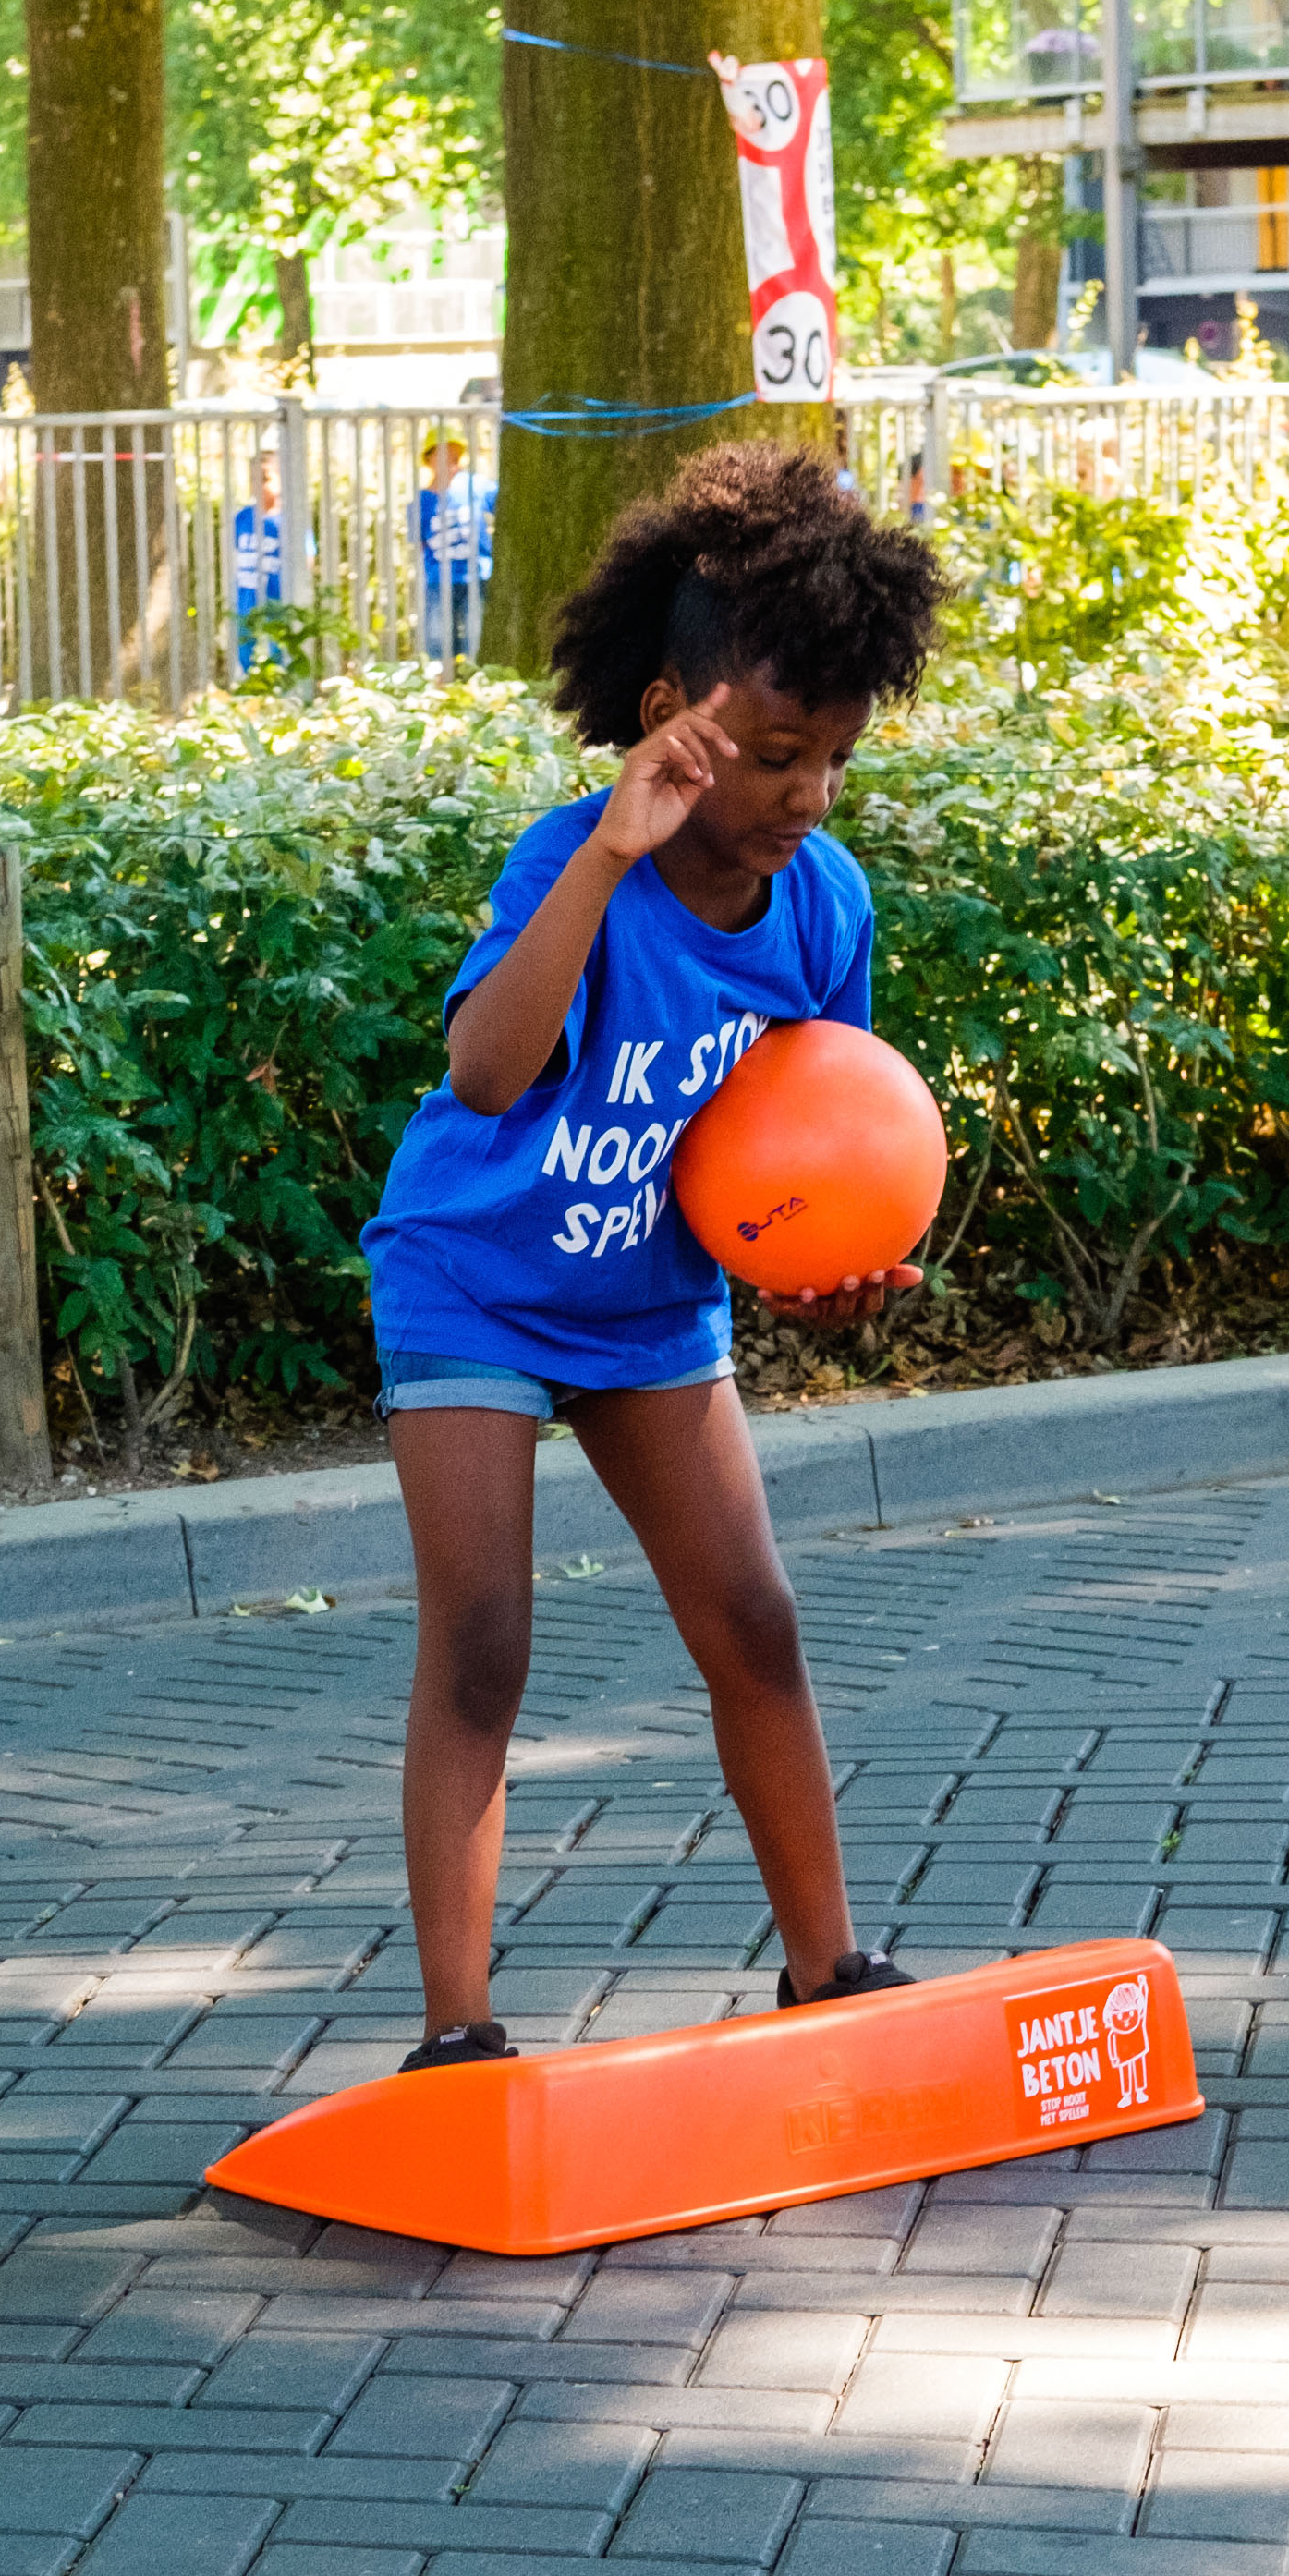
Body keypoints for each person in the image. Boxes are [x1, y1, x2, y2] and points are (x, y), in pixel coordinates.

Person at [359, 445, 947, 2073]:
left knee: (752, 1618)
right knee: (482, 1639)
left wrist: (822, 1270)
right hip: (473, 1272)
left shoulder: (821, 903)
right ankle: (456, 2031)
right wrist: (612, 849)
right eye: (769, 754)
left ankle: (828, 1967)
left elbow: (806, 1146)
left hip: (644, 1297)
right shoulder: (574, 864)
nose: (803, 794)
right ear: (672, 706)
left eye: (833, 757)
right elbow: (484, 1070)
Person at [414, 433, 492, 663]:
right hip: (438, 580)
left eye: (456, 456)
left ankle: (475, 680)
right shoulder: (421, 500)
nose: (452, 461)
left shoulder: (475, 486)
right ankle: (444, 684)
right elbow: (420, 542)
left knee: (475, 637)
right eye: (445, 455)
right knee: (438, 638)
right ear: (429, 460)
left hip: (476, 576)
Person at [226, 450, 289, 674]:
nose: (258, 486)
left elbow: (306, 558)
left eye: (265, 479)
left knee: (279, 649)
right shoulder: (243, 518)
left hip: (277, 598)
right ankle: (253, 688)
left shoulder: (289, 519)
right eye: (253, 479)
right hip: (246, 597)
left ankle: (279, 692)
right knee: (245, 649)